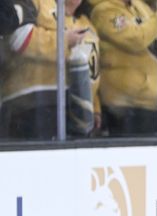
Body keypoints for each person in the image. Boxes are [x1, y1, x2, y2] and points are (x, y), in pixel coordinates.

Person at [0, 0, 101, 139]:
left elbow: (92, 70)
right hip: (29, 104)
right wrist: (64, 41)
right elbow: (19, 38)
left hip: (74, 108)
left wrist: (94, 107)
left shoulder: (87, 24)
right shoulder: (36, 3)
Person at [87, 0, 157, 135]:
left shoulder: (139, 6)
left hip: (156, 102)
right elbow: (136, 40)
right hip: (126, 108)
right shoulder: (104, 11)